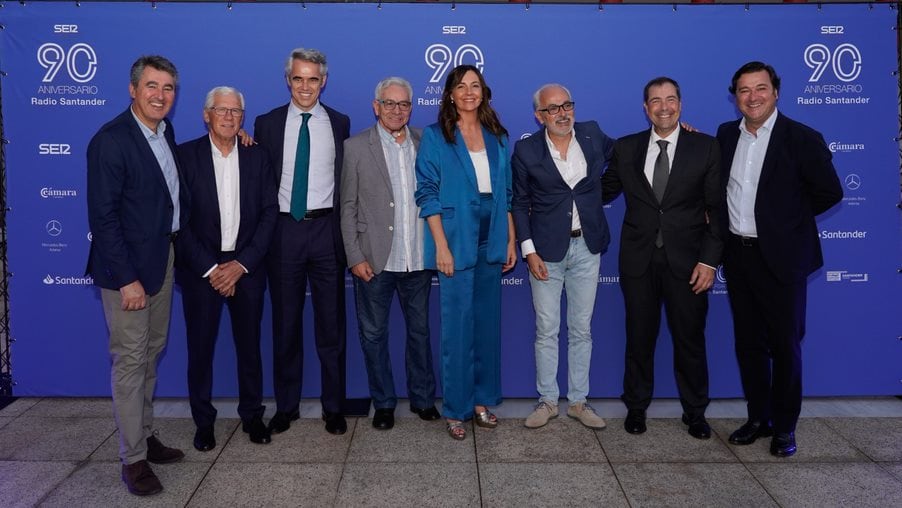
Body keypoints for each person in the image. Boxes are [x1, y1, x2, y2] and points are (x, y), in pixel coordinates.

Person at [717, 61, 842, 457]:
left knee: (786, 345)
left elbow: (829, 193)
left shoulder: (802, 138)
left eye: (760, 89)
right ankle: (759, 418)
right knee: (749, 344)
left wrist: (786, 223)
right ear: (735, 96)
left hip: (783, 260)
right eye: (744, 90)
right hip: (738, 255)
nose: (752, 97)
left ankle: (785, 428)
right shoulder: (725, 135)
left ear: (776, 92)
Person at [86, 55, 187, 496]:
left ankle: (144, 436)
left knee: (150, 353)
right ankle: (133, 460)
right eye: (152, 86)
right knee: (130, 361)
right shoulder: (111, 140)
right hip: (126, 271)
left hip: (161, 259)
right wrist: (126, 279)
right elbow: (103, 217)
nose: (160, 95)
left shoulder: (166, 133)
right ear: (133, 89)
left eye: (167, 88)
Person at [602, 77, 723, 439]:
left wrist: (709, 261)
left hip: (689, 265)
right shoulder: (626, 148)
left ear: (681, 105)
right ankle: (636, 408)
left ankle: (696, 412)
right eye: (656, 100)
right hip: (638, 262)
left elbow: (717, 210)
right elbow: (601, 189)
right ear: (645, 108)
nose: (664, 106)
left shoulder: (706, 147)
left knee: (690, 339)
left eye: (670, 99)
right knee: (639, 337)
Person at [415, 64, 517, 441]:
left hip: (492, 239)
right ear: (450, 94)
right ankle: (456, 408)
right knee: (457, 329)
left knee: (486, 327)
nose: (469, 92)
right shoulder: (435, 136)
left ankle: (481, 402)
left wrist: (509, 239)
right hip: (455, 242)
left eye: (476, 85)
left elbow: (506, 193)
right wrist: (440, 246)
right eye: (462, 86)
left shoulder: (498, 135)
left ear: (484, 92)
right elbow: (426, 193)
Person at [254, 48, 351, 435]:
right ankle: (287, 406)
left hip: (327, 232)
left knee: (332, 326)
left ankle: (334, 407)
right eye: (298, 78)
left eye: (313, 78)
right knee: (285, 325)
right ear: (288, 80)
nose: (305, 86)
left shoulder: (340, 123)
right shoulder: (266, 124)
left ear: (323, 81)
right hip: (283, 233)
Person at [176, 86, 278, 451]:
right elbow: (179, 221)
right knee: (200, 349)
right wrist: (212, 269)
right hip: (200, 269)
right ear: (206, 114)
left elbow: (269, 214)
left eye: (236, 111)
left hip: (247, 266)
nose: (229, 117)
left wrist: (241, 264)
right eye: (222, 110)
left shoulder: (257, 156)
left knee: (250, 347)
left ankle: (252, 415)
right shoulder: (183, 156)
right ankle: (204, 422)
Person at [340, 77, 440, 430]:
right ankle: (383, 403)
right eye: (390, 103)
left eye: (404, 105)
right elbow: (347, 207)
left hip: (418, 259)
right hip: (374, 261)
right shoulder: (354, 148)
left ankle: (423, 399)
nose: (397, 110)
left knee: (420, 333)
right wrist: (354, 256)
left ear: (412, 108)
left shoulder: (426, 141)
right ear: (376, 106)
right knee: (373, 336)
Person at [512, 84, 613, 430]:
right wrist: (529, 251)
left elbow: (628, 156)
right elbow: (518, 203)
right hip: (545, 252)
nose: (562, 113)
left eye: (566, 105)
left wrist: (680, 132)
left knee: (581, 328)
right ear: (539, 116)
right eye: (552, 109)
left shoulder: (593, 134)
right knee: (547, 329)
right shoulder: (526, 150)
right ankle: (548, 401)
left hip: (588, 246)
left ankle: (579, 402)